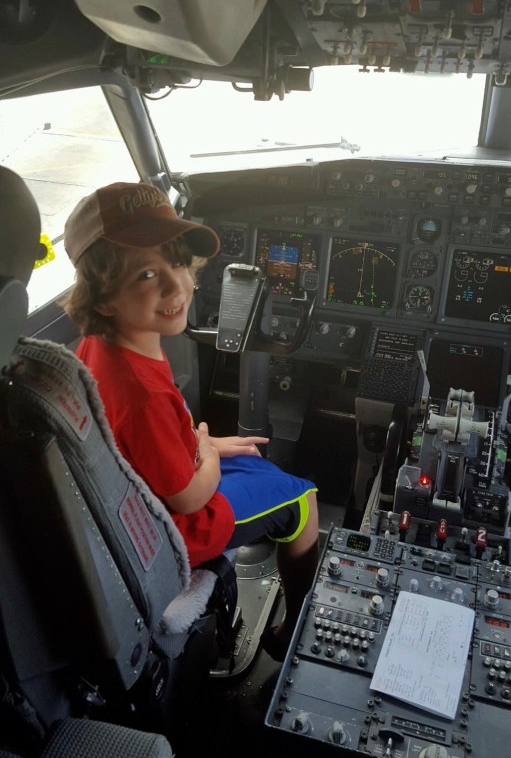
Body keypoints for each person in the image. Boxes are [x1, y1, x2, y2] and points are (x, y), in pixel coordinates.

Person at [61, 180, 319, 660]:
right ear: (102, 296)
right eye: (146, 274)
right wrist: (205, 453)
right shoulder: (142, 395)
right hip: (178, 528)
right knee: (302, 499)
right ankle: (293, 631)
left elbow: (143, 444)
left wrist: (206, 445)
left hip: (142, 493)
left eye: (178, 263)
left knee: (256, 463)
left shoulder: (104, 346)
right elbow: (190, 495)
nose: (175, 285)